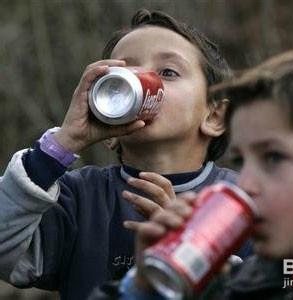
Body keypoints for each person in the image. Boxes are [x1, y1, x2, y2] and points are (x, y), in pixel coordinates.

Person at [90, 48, 293, 299]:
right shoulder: (240, 284)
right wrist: (149, 286)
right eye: (241, 161)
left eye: (274, 158)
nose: (246, 184)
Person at [0, 9, 252, 300]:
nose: (140, 81)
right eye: (123, 74)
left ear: (215, 115)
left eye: (167, 72)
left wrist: (191, 248)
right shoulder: (78, 198)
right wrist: (64, 142)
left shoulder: (242, 200)